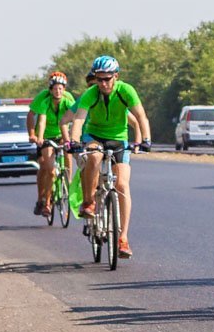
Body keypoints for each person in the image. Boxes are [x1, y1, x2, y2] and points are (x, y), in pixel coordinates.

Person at [67, 55, 152, 258]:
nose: (103, 83)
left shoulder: (126, 91)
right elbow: (79, 119)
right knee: (94, 157)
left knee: (122, 185)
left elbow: (140, 116)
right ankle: (89, 201)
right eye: (99, 79)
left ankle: (123, 239)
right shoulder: (90, 94)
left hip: (119, 139)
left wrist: (146, 139)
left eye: (107, 79)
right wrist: (74, 141)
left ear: (116, 76)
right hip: (94, 135)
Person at [27, 72, 76, 217]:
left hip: (62, 134)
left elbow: (76, 118)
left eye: (61, 88)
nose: (58, 91)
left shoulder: (68, 99)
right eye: (55, 88)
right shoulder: (44, 99)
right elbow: (38, 119)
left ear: (64, 88)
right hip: (46, 137)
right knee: (48, 169)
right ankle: (44, 201)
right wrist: (36, 136)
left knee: (68, 151)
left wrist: (74, 137)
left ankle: (68, 181)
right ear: (50, 88)